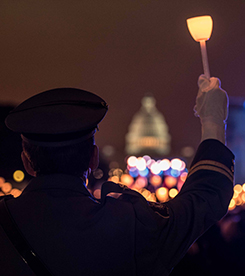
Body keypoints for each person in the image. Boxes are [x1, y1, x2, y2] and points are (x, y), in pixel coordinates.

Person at [0, 76, 234, 276]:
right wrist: (212, 121)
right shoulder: (129, 223)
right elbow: (205, 198)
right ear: (93, 158)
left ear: (26, 163)